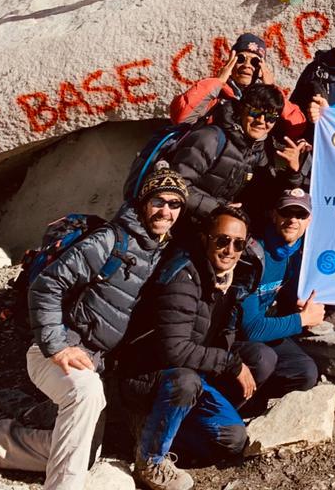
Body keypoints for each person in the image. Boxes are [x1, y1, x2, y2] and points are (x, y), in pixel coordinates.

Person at [0, 166, 189, 490]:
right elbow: (46, 286)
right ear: (144, 202)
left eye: (174, 204)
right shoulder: (110, 240)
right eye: (159, 201)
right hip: (52, 351)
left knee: (84, 452)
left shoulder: (160, 252)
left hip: (95, 363)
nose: (166, 211)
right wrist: (58, 345)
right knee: (86, 394)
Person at [117, 207, 278, 488]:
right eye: (222, 240)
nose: (230, 250)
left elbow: (223, 333)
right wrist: (230, 363)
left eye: (238, 244)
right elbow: (174, 351)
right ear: (205, 239)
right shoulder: (183, 278)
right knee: (186, 381)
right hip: (149, 375)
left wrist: (232, 361)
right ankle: (150, 458)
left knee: (233, 438)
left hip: (194, 370)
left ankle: (154, 428)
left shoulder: (231, 278)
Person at [235, 187, 324, 396]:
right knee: (264, 358)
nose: (293, 220)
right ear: (274, 215)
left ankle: (257, 406)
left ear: (309, 220)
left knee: (306, 373)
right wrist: (301, 319)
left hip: (263, 330)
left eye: (300, 214)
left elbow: (289, 300)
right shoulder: (252, 255)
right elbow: (252, 330)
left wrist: (300, 308)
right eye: (286, 212)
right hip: (233, 336)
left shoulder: (301, 254)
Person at [165, 83, 276, 236]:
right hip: (182, 230)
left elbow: (266, 196)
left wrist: (294, 171)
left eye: (271, 117)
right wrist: (219, 209)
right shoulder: (211, 138)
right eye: (255, 112)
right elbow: (176, 186)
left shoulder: (257, 152)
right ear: (241, 109)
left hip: (219, 232)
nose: (262, 121)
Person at [167, 32, 282, 125]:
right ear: (230, 62)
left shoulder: (265, 97)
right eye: (240, 59)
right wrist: (219, 82)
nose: (247, 65)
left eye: (255, 62)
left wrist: (272, 91)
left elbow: (293, 128)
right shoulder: (213, 95)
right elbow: (180, 118)